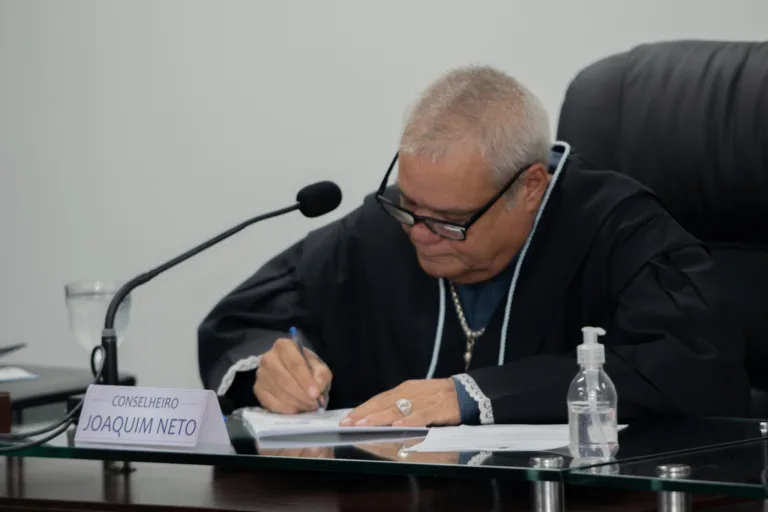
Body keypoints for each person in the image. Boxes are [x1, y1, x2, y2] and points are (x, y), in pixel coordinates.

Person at [197, 65, 750, 427]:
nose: (417, 231)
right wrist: (274, 365)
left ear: (530, 186)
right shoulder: (388, 224)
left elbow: (686, 371)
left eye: (450, 221)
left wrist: (474, 395)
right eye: (409, 204)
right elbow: (247, 318)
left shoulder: (620, 230)